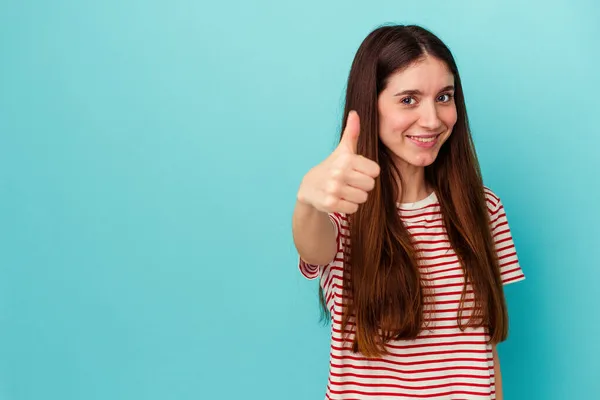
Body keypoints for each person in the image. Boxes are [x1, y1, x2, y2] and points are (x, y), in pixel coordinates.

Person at [292, 24, 525, 400]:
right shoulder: (341, 212)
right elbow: (313, 247)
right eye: (408, 99)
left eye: (444, 97)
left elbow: (483, 349)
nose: (433, 120)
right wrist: (307, 200)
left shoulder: (484, 209)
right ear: (372, 105)